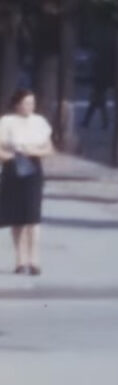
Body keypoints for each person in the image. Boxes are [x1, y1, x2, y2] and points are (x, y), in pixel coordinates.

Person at [0, 89, 54, 276]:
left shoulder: (39, 122)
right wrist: (10, 156)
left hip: (33, 169)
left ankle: (34, 260)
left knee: (33, 216)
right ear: (17, 104)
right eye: (26, 103)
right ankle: (20, 260)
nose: (29, 106)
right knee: (17, 217)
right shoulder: (6, 122)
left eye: (32, 103)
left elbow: (49, 149)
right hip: (13, 169)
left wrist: (33, 151)